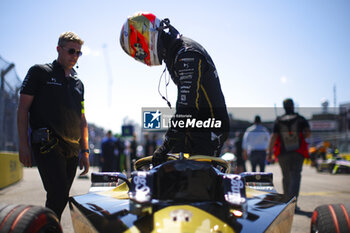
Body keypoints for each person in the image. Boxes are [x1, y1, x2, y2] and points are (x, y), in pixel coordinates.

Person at [120, 12, 230, 165]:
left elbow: (187, 108)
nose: (141, 57)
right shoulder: (176, 51)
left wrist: (165, 147)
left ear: (147, 37)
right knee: (168, 177)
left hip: (208, 128)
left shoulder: (186, 54)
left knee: (196, 182)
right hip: (194, 127)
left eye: (139, 50)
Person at [17, 31, 89, 220]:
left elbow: (82, 119)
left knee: (60, 198)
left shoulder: (78, 84)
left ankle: (45, 226)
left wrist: (85, 151)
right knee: (57, 194)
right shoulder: (39, 72)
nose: (75, 56)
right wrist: (23, 145)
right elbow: (22, 109)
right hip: (47, 144)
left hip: (72, 150)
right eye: (71, 51)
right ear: (59, 49)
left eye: (78, 53)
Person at [267, 98, 311, 209]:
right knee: (296, 176)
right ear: (293, 106)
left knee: (286, 176)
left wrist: (269, 152)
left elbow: (274, 137)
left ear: (284, 107)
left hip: (283, 153)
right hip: (297, 152)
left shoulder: (279, 120)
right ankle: (293, 202)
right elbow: (308, 133)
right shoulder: (300, 119)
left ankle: (286, 202)